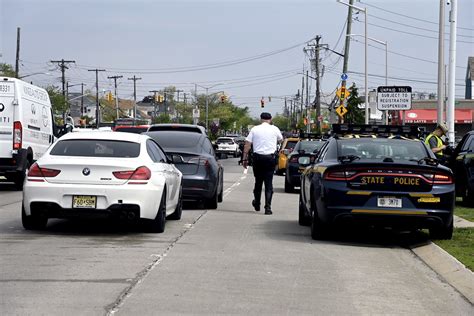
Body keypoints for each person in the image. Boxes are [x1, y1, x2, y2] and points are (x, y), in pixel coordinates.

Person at [242, 112, 283, 215]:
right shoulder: (274, 129)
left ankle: (257, 203)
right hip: (270, 158)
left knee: (258, 181)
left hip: (258, 158)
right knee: (269, 183)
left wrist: (244, 158)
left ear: (261, 119)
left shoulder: (255, 129)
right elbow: (281, 139)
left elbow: (247, 144)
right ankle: (268, 208)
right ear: (270, 119)